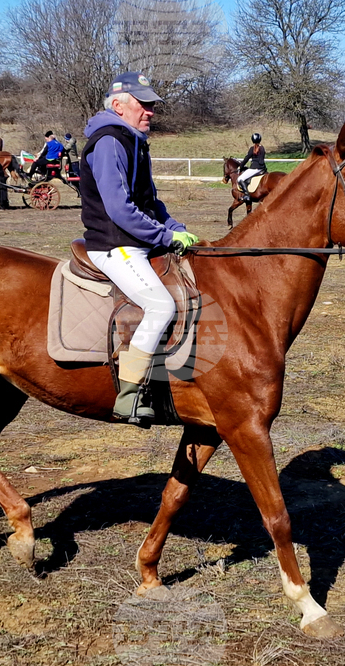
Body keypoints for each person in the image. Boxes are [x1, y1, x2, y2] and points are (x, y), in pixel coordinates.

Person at [79, 72, 197, 423]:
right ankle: (130, 396)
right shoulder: (109, 142)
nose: (150, 112)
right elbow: (119, 209)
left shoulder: (133, 141)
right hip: (116, 245)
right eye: (143, 104)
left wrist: (175, 228)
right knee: (160, 307)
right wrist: (164, 237)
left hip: (137, 242)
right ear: (118, 105)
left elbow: (149, 202)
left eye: (152, 105)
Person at [237, 133, 267, 200]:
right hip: (262, 168)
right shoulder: (262, 148)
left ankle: (247, 195)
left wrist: (240, 166)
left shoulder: (252, 149)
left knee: (240, 179)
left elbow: (246, 158)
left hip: (254, 168)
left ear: (252, 140)